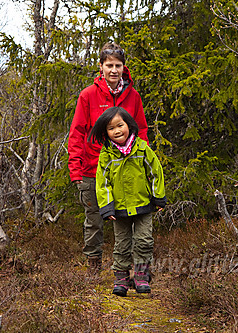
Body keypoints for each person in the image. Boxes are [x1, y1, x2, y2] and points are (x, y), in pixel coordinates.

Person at [68, 42, 149, 274]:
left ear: (124, 67)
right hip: (92, 169)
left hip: (126, 169)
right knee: (94, 221)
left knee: (127, 221)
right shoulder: (88, 95)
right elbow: (77, 133)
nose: (114, 70)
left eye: (118, 65)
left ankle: (126, 270)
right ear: (101, 67)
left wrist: (142, 161)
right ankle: (93, 268)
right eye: (109, 65)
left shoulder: (133, 96)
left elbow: (141, 130)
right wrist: (75, 169)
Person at [88, 107, 166, 296]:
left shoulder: (142, 149)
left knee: (144, 241)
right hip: (119, 210)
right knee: (122, 244)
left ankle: (141, 276)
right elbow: (103, 183)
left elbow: (155, 173)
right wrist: (107, 208)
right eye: (111, 128)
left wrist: (158, 198)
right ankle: (121, 278)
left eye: (120, 125)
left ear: (129, 125)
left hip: (143, 205)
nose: (117, 131)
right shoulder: (107, 155)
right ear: (105, 133)